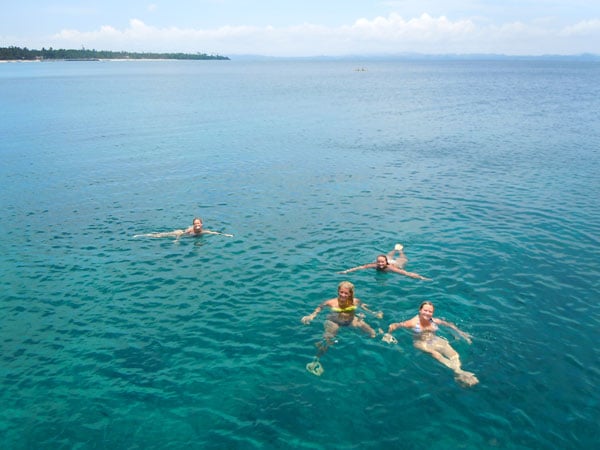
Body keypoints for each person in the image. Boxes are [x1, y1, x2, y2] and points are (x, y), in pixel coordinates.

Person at [382, 301, 478, 387]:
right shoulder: (412, 323)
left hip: (435, 340)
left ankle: (458, 372)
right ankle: (458, 372)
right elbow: (394, 325)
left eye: (430, 311)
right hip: (421, 343)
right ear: (420, 310)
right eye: (425, 310)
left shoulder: (433, 320)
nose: (427, 313)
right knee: (435, 354)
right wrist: (388, 335)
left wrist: (462, 333)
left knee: (455, 355)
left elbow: (449, 324)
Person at [301, 281, 383, 376]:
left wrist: (374, 313)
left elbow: (363, 307)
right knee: (328, 339)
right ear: (338, 291)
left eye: (346, 293)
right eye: (341, 292)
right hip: (334, 322)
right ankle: (316, 359)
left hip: (350, 320)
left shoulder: (355, 301)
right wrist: (311, 316)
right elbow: (320, 307)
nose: (343, 295)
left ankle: (381, 342)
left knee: (371, 331)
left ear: (351, 293)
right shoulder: (331, 302)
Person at [338, 244, 430, 280]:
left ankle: (400, 250)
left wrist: (421, 277)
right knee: (388, 255)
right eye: (379, 262)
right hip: (388, 259)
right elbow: (360, 267)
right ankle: (394, 249)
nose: (380, 264)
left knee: (403, 260)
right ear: (377, 262)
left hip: (395, 263)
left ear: (386, 263)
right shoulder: (374, 265)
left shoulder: (390, 267)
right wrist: (346, 271)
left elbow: (405, 273)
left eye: (382, 262)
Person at [134, 217, 233, 240]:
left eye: (198, 223)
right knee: (159, 235)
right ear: (193, 225)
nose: (197, 225)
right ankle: (141, 235)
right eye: (195, 224)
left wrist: (226, 235)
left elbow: (214, 233)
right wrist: (177, 240)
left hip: (189, 237)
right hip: (180, 233)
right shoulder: (191, 230)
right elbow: (180, 234)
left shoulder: (203, 231)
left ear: (202, 224)